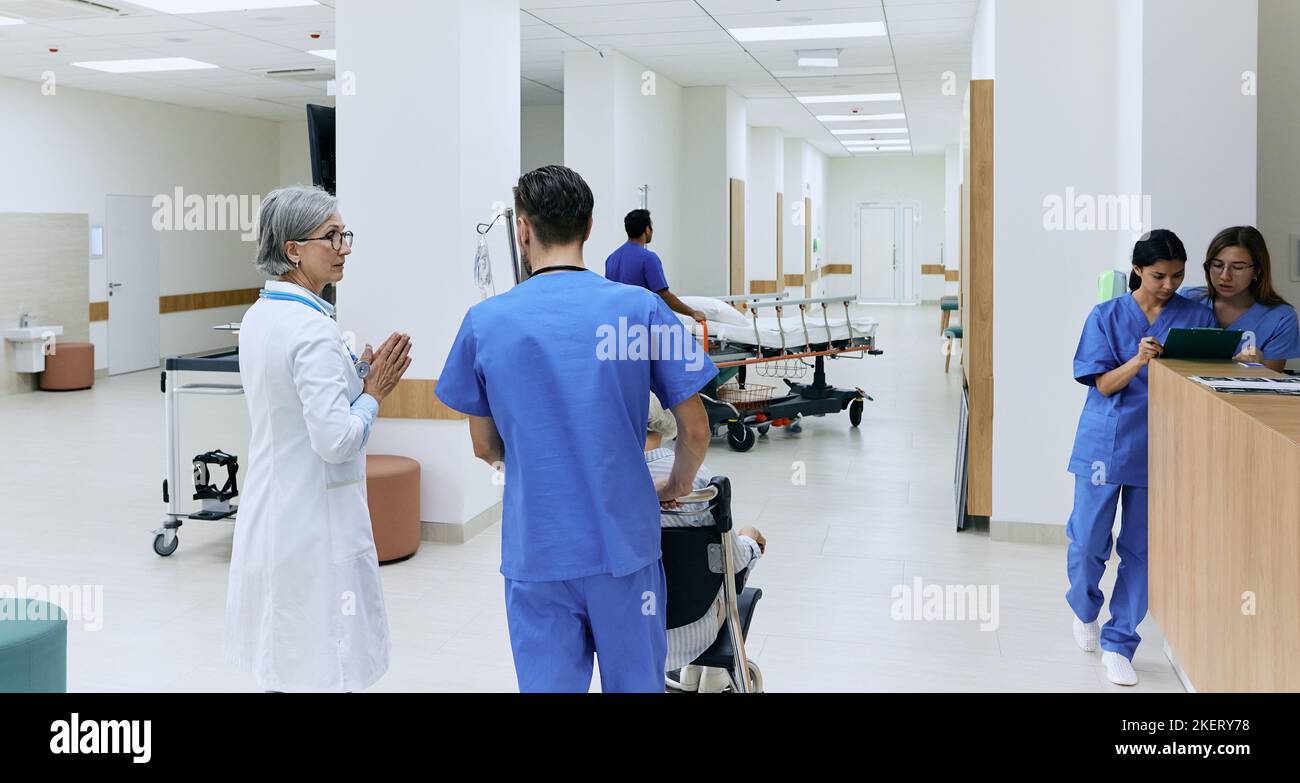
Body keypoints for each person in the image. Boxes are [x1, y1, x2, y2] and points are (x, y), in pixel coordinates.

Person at [436, 165, 718, 693]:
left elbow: (484, 446)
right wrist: (678, 484)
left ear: (523, 230)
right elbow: (696, 428)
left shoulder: (486, 322)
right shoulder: (643, 309)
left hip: (537, 550)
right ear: (589, 228)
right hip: (625, 548)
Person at [225, 185, 412, 693]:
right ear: (293, 249)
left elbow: (297, 407)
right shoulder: (310, 329)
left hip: (276, 509)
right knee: (322, 658)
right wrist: (374, 393)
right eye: (332, 237)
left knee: (286, 653)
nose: (344, 247)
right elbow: (335, 441)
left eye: (344, 235)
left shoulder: (261, 316)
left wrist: (355, 374)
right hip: (313, 523)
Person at [1065, 229, 1217, 687]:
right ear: (1136, 270)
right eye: (1158, 276)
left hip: (1162, 444)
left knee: (1142, 549)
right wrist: (1138, 362)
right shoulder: (1106, 315)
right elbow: (1104, 384)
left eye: (1177, 275)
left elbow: (1205, 378)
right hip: (1105, 441)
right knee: (1090, 539)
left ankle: (1120, 641)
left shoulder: (1197, 317)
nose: (1169, 285)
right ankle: (1085, 610)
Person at [643, 397, 765, 693]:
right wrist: (751, 542)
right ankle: (709, 672)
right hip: (695, 630)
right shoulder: (695, 479)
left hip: (623, 630)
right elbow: (731, 562)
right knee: (727, 565)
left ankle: (694, 675)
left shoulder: (602, 482)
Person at [1180, 226, 1299, 372]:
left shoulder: (1281, 317)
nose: (1225, 276)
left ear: (1257, 271)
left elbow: (1272, 379)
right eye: (1217, 265)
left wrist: (1260, 364)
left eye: (1237, 267)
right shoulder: (1186, 298)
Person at [605, 208, 708, 322]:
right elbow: (664, 296)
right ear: (647, 229)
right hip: (639, 325)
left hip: (615, 325)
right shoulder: (648, 258)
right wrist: (693, 313)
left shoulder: (611, 259)